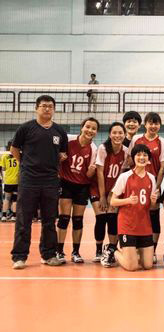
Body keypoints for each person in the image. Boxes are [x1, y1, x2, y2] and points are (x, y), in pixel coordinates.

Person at [11, 95, 68, 269]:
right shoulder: (26, 128)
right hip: (29, 180)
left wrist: (60, 157)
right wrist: (26, 164)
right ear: (37, 108)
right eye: (43, 106)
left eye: (50, 106)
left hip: (50, 181)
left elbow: (63, 154)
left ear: (54, 109)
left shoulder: (59, 131)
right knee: (24, 218)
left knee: (50, 220)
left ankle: (48, 255)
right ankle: (19, 257)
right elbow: (14, 149)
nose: (47, 109)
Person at [129, 112, 164, 264]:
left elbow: (162, 167)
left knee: (153, 217)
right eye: (150, 123)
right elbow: (130, 161)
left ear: (159, 125)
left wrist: (157, 187)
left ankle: (152, 251)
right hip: (136, 182)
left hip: (153, 183)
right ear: (145, 124)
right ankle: (135, 249)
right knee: (137, 215)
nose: (153, 126)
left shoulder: (163, 142)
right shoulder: (136, 139)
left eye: (156, 123)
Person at [56, 117, 99, 263]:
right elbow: (55, 155)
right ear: (82, 127)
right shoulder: (68, 140)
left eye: (93, 129)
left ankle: (76, 252)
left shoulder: (94, 149)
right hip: (66, 183)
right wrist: (59, 158)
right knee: (63, 219)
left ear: (96, 132)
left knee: (78, 220)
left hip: (82, 186)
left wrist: (92, 171)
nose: (90, 130)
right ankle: (59, 251)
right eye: (87, 127)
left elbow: (88, 175)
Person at [110, 144, 158, 271]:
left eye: (145, 155)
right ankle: (113, 251)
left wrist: (153, 201)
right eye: (138, 155)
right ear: (133, 158)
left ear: (148, 159)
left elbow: (150, 206)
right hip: (127, 225)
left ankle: (132, 253)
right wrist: (128, 200)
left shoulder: (152, 178)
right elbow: (113, 201)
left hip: (144, 225)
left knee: (147, 265)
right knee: (132, 267)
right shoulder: (125, 177)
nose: (141, 157)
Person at [89, 122, 128, 267]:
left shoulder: (125, 151)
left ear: (124, 135)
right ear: (109, 134)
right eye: (114, 133)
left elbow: (123, 175)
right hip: (98, 188)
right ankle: (99, 251)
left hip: (114, 190)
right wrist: (103, 196)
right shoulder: (103, 148)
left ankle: (111, 249)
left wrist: (113, 195)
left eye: (120, 133)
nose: (117, 135)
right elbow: (99, 173)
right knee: (100, 218)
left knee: (112, 219)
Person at [1, 140, 19, 222]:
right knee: (15, 199)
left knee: (6, 198)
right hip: (17, 180)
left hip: (8, 180)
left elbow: (3, 168)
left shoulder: (4, 156)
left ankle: (4, 216)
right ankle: (14, 216)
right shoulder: (18, 155)